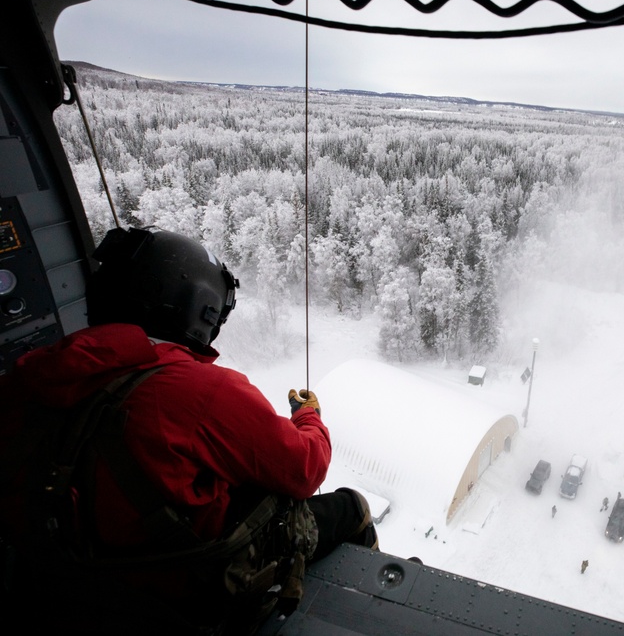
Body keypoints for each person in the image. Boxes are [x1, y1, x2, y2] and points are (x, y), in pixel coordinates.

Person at [0, 227, 377, 634]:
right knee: (350, 507)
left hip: (66, 585)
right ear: (199, 310)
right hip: (178, 592)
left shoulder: (31, 375)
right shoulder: (203, 391)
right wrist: (308, 417)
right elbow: (305, 467)